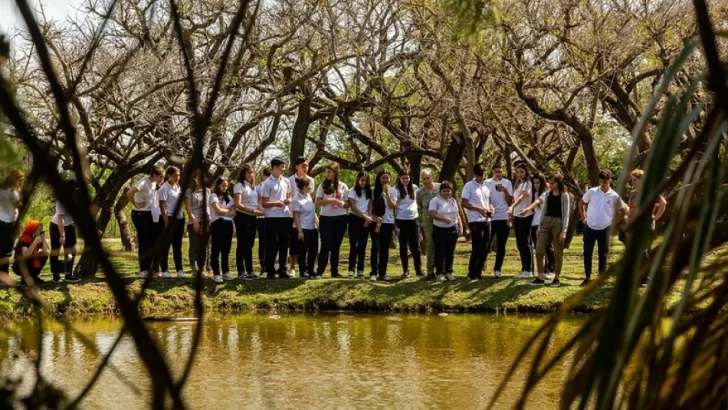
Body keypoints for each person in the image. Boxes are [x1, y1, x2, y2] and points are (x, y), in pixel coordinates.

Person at [579, 169, 628, 286]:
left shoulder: (615, 196)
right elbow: (581, 203)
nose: (602, 184)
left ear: (610, 181)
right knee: (587, 253)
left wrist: (614, 223)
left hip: (605, 228)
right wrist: (583, 218)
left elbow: (623, 211)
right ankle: (587, 277)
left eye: (605, 182)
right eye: (601, 181)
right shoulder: (592, 192)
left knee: (603, 254)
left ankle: (601, 279)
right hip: (590, 227)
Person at [620, 169, 667, 286]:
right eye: (632, 180)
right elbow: (630, 208)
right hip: (633, 226)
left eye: (635, 180)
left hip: (645, 226)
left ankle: (646, 279)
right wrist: (627, 217)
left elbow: (663, 203)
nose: (633, 182)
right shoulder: (633, 194)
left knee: (643, 251)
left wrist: (655, 217)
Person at [529, 173, 571, 287]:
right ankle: (540, 277)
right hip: (546, 222)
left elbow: (566, 214)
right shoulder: (547, 194)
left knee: (558, 252)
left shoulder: (564, 195)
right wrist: (539, 226)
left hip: (558, 223)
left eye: (553, 183)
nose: (550, 185)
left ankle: (556, 278)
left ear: (558, 183)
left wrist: (564, 231)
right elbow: (544, 211)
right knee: (539, 249)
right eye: (550, 183)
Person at [127, 167, 164, 278]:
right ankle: (143, 270)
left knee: (152, 241)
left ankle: (152, 269)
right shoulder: (143, 182)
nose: (162, 178)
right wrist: (135, 204)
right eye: (160, 176)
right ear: (153, 175)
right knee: (144, 242)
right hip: (140, 214)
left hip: (150, 214)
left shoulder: (154, 184)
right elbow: (129, 193)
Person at [315, 162, 349, 278]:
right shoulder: (322, 186)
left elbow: (348, 203)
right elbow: (318, 201)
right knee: (326, 245)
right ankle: (320, 271)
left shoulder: (343, 186)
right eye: (326, 172)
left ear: (335, 173)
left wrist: (343, 203)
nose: (327, 174)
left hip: (340, 217)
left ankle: (334, 271)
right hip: (326, 218)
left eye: (329, 172)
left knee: (336, 246)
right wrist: (330, 200)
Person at [460, 164, 494, 280]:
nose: (481, 178)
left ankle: (479, 272)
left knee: (486, 247)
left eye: (483, 175)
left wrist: (491, 208)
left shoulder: (487, 186)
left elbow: (488, 202)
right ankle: (471, 272)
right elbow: (463, 203)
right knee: (477, 246)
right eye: (479, 176)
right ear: (475, 175)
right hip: (475, 219)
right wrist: (478, 209)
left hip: (487, 220)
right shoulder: (469, 186)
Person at [261, 158, 292, 279]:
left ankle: (283, 269)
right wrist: (276, 204)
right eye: (281, 167)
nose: (283, 169)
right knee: (272, 244)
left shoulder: (286, 181)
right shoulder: (267, 183)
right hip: (272, 217)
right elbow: (264, 203)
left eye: (284, 167)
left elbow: (289, 196)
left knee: (284, 243)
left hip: (284, 215)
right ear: (273, 168)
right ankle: (270, 270)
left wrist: (288, 200)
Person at [518, 173, 555, 278]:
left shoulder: (546, 193)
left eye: (538, 182)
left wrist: (527, 209)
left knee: (548, 247)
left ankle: (551, 270)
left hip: (544, 223)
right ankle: (543, 270)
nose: (536, 185)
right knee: (539, 249)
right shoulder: (535, 193)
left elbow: (537, 202)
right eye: (534, 183)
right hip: (535, 223)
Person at [234, 163, 265, 280]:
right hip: (243, 216)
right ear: (243, 173)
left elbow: (255, 202)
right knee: (242, 243)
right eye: (248, 172)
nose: (251, 175)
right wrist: (252, 211)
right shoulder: (239, 185)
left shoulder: (252, 186)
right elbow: (238, 204)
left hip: (253, 217)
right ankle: (241, 270)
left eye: (252, 172)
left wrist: (260, 209)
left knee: (250, 244)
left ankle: (250, 269)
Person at [428, 181, 463, 281]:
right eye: (444, 191)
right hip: (439, 229)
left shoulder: (453, 200)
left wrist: (460, 227)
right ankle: (439, 273)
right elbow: (431, 214)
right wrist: (443, 219)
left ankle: (449, 272)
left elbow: (457, 214)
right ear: (440, 191)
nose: (446, 193)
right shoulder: (435, 201)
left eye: (448, 191)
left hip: (452, 229)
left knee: (450, 252)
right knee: (440, 252)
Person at [287, 157, 315, 278]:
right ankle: (292, 267)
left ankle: (307, 268)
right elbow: (288, 196)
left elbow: (310, 197)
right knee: (293, 245)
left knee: (308, 246)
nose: (306, 168)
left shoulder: (310, 180)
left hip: (306, 214)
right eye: (303, 165)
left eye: (307, 165)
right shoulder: (289, 180)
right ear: (296, 166)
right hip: (292, 214)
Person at [485, 164, 513, 278]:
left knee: (501, 246)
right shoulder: (487, 183)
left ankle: (497, 269)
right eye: (496, 171)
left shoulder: (507, 183)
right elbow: (486, 199)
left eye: (500, 171)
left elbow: (510, 201)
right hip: (491, 217)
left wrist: (505, 191)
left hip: (503, 216)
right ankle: (480, 266)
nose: (498, 173)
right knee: (486, 243)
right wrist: (489, 207)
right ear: (492, 171)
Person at [393, 168, 422, 278]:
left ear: (410, 178)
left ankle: (418, 269)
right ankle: (405, 270)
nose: (405, 180)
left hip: (414, 220)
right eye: (403, 178)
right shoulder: (395, 189)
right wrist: (394, 224)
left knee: (415, 246)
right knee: (403, 246)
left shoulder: (415, 188)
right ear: (399, 178)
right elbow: (394, 207)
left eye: (407, 178)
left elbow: (419, 202)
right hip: (401, 220)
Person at [158, 166, 185, 278]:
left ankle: (179, 269)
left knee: (177, 245)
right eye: (175, 175)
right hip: (168, 218)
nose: (177, 177)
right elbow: (162, 205)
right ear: (168, 175)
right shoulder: (164, 188)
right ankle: (165, 269)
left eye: (178, 175)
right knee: (166, 245)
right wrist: (166, 221)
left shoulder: (178, 187)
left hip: (179, 217)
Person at [507, 163, 534, 278]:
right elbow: (514, 200)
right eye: (517, 172)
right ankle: (524, 268)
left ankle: (528, 269)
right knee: (519, 243)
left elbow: (522, 197)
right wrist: (511, 213)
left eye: (522, 172)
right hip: (518, 216)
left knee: (525, 242)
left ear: (526, 172)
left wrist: (512, 207)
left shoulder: (527, 184)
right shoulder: (518, 184)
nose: (519, 174)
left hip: (526, 215)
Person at [184, 169, 211, 278]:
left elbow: (209, 206)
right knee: (194, 246)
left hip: (206, 221)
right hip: (194, 221)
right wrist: (194, 221)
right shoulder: (189, 191)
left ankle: (202, 269)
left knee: (204, 247)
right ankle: (194, 270)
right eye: (199, 178)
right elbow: (188, 208)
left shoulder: (207, 191)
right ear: (194, 178)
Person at [370, 169, 397, 281]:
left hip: (388, 222)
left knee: (385, 248)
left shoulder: (393, 190)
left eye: (387, 178)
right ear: (379, 179)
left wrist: (387, 193)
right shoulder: (373, 190)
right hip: (376, 222)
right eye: (383, 178)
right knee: (375, 246)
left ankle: (383, 273)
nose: (385, 180)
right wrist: (374, 217)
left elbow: (392, 206)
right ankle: (373, 273)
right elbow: (370, 206)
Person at [209, 177, 236, 283]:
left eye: (226, 185)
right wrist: (227, 211)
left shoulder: (229, 197)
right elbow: (218, 211)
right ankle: (216, 273)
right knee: (216, 248)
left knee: (226, 249)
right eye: (223, 185)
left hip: (228, 224)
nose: (225, 187)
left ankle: (225, 271)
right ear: (218, 185)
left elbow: (234, 212)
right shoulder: (213, 196)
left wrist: (226, 211)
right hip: (217, 223)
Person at [346, 171, 372, 279]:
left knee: (363, 245)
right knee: (354, 245)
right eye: (362, 180)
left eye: (366, 181)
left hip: (366, 220)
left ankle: (360, 270)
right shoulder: (352, 191)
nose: (363, 182)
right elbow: (353, 207)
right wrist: (364, 216)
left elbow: (370, 204)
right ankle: (351, 269)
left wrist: (368, 218)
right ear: (358, 179)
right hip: (355, 219)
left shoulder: (369, 191)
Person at [1, 170, 24, 285]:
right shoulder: (12, 192)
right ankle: (4, 278)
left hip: (3, 222)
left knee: (2, 252)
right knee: (6, 253)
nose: (21, 183)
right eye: (20, 180)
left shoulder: (2, 190)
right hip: (7, 225)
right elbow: (19, 206)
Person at [50, 193, 80, 283]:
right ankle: (56, 276)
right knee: (56, 250)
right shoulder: (60, 200)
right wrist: (62, 235)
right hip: (57, 226)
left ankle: (68, 274)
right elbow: (60, 219)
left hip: (70, 226)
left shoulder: (76, 198)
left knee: (72, 250)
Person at [292, 177, 319, 278]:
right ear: (303, 187)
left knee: (313, 250)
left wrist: (318, 223)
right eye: (309, 186)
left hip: (312, 228)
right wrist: (300, 231)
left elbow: (313, 212)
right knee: (302, 251)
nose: (311, 188)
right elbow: (296, 216)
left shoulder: (309, 196)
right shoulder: (296, 199)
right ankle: (303, 271)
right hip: (302, 228)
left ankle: (311, 269)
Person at [416, 169, 440, 280]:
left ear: (432, 177)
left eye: (428, 178)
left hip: (441, 219)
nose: (426, 180)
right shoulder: (420, 193)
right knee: (430, 244)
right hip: (428, 221)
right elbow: (420, 206)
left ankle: (442, 269)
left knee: (441, 244)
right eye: (424, 178)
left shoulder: (440, 187)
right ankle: (430, 271)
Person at [12, 220, 49, 285]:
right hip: (19, 265)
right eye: (39, 229)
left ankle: (34, 276)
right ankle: (25, 278)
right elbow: (25, 255)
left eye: (41, 229)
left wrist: (43, 240)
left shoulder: (38, 238)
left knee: (43, 256)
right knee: (29, 258)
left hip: (31, 261)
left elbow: (46, 252)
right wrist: (34, 243)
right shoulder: (25, 238)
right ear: (33, 230)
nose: (41, 231)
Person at [255, 167, 271, 275]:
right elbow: (254, 201)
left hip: (272, 217)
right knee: (263, 242)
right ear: (263, 176)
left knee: (272, 242)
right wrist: (260, 209)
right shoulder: (257, 188)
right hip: (261, 217)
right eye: (266, 175)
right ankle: (263, 266)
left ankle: (270, 264)